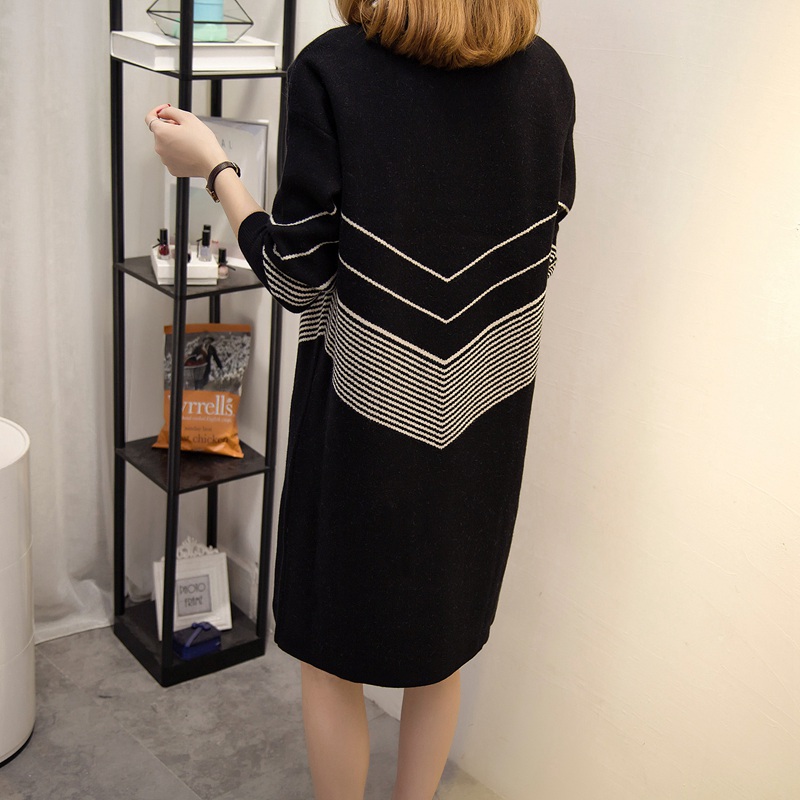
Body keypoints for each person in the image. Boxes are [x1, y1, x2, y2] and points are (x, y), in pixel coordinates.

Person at [146, 1, 575, 798]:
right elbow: (538, 250)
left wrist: (214, 168)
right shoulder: (546, 77)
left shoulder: (335, 69)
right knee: (440, 654)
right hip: (483, 430)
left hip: (360, 430)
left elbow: (293, 275)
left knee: (330, 658)